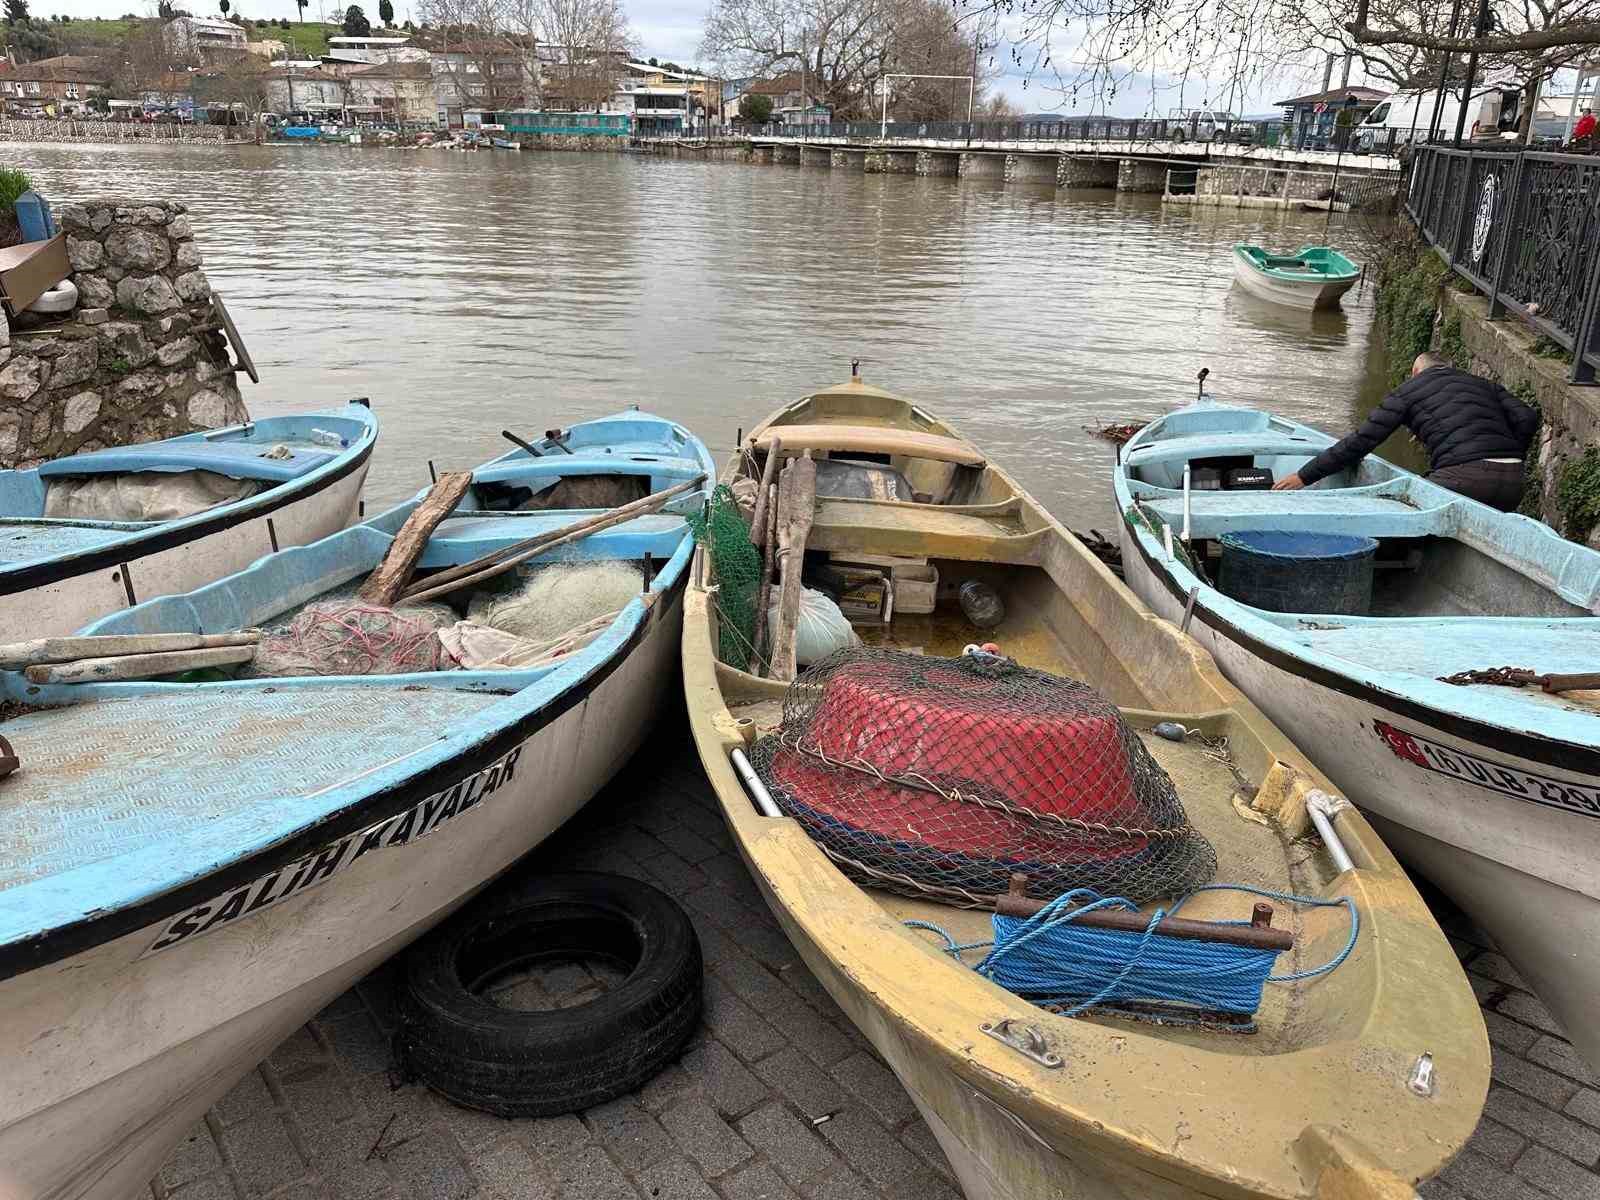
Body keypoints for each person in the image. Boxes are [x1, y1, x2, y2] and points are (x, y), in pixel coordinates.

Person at [1271, 352, 1538, 511]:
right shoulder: (1483, 384)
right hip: (1514, 482)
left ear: (1416, 371)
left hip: (1462, 480)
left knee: (1399, 505)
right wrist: (1508, 455)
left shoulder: (1408, 392)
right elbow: (1526, 417)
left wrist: (1303, 476)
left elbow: (1361, 441)